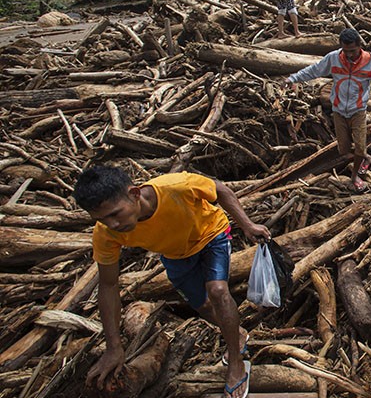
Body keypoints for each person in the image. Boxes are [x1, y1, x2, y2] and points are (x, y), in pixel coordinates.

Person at [74, 166, 270, 398]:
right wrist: (114, 347)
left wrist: (247, 225)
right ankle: (236, 335)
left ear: (134, 194)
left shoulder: (175, 186)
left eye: (116, 213)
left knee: (217, 290)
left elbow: (220, 189)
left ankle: (236, 364)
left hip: (210, 234)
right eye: (102, 219)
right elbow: (108, 285)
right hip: (175, 255)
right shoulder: (106, 234)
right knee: (203, 306)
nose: (113, 224)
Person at [284, 28, 371, 192]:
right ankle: (365, 157)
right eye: (345, 51)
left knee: (360, 149)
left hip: (358, 111)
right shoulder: (334, 58)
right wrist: (293, 78)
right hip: (339, 111)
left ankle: (355, 176)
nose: (349, 55)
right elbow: (314, 70)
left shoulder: (369, 61)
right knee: (344, 151)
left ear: (360, 46)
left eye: (352, 51)